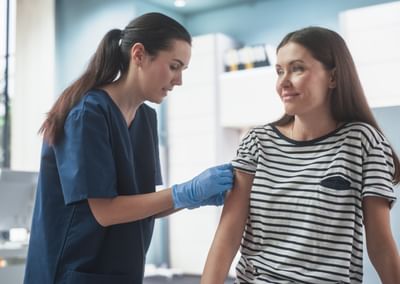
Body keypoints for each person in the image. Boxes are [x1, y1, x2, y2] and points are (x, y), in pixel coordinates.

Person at [23, 12, 233, 284]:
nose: (179, 80)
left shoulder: (146, 118)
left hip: (121, 272)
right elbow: (107, 211)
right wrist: (185, 192)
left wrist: (192, 198)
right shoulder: (88, 113)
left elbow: (142, 205)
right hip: (73, 272)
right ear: (139, 55)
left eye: (183, 70)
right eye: (174, 66)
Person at [201, 26, 400, 284]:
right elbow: (227, 236)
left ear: (333, 77)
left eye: (297, 68)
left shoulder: (362, 142)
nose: (283, 82)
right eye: (279, 71)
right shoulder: (256, 142)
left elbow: (381, 245)